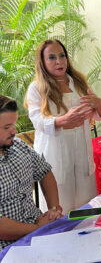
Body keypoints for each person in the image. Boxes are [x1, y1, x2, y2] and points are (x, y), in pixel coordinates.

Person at [24, 39, 101, 214]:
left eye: (62, 55)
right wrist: (62, 121)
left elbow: (99, 115)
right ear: (43, 62)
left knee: (86, 207)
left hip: (82, 153)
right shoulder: (37, 88)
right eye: (52, 57)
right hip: (55, 154)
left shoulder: (79, 83)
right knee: (61, 208)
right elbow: (36, 120)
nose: (59, 61)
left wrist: (99, 104)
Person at [0, 95, 62, 250]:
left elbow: (45, 172)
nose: (15, 131)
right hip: (7, 246)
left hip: (38, 229)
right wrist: (36, 229)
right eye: (7, 127)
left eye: (14, 124)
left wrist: (53, 209)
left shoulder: (18, 146)